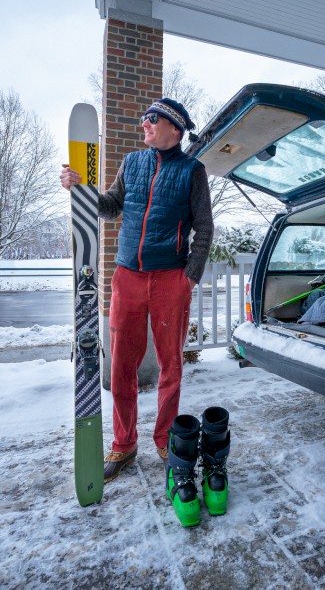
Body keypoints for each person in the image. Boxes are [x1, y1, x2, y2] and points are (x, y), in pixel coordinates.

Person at [61, 97, 214, 482]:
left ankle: (164, 439)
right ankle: (124, 443)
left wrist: (189, 277)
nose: (143, 124)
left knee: (170, 366)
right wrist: (82, 190)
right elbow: (111, 206)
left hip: (170, 280)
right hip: (128, 276)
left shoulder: (193, 171)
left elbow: (204, 228)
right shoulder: (132, 163)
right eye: (144, 118)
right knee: (122, 365)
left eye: (152, 119)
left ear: (174, 128)